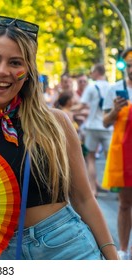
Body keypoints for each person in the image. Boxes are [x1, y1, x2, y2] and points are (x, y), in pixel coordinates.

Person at [0, 15, 118, 260]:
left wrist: (113, 260)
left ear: (29, 72)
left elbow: (84, 198)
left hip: (67, 246)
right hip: (3, 254)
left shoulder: (56, 122)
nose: (2, 71)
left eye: (15, 62)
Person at [103, 47, 132, 260]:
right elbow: (105, 122)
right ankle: (123, 249)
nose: (131, 69)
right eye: (128, 65)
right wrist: (115, 110)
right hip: (123, 154)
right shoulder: (115, 89)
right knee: (124, 203)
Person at [76, 63, 112, 197]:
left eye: (92, 71)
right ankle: (112, 186)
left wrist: (69, 110)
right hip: (108, 127)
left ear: (97, 72)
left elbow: (82, 105)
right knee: (110, 158)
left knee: (90, 158)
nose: (91, 74)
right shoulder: (111, 87)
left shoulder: (91, 87)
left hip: (92, 127)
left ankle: (93, 189)